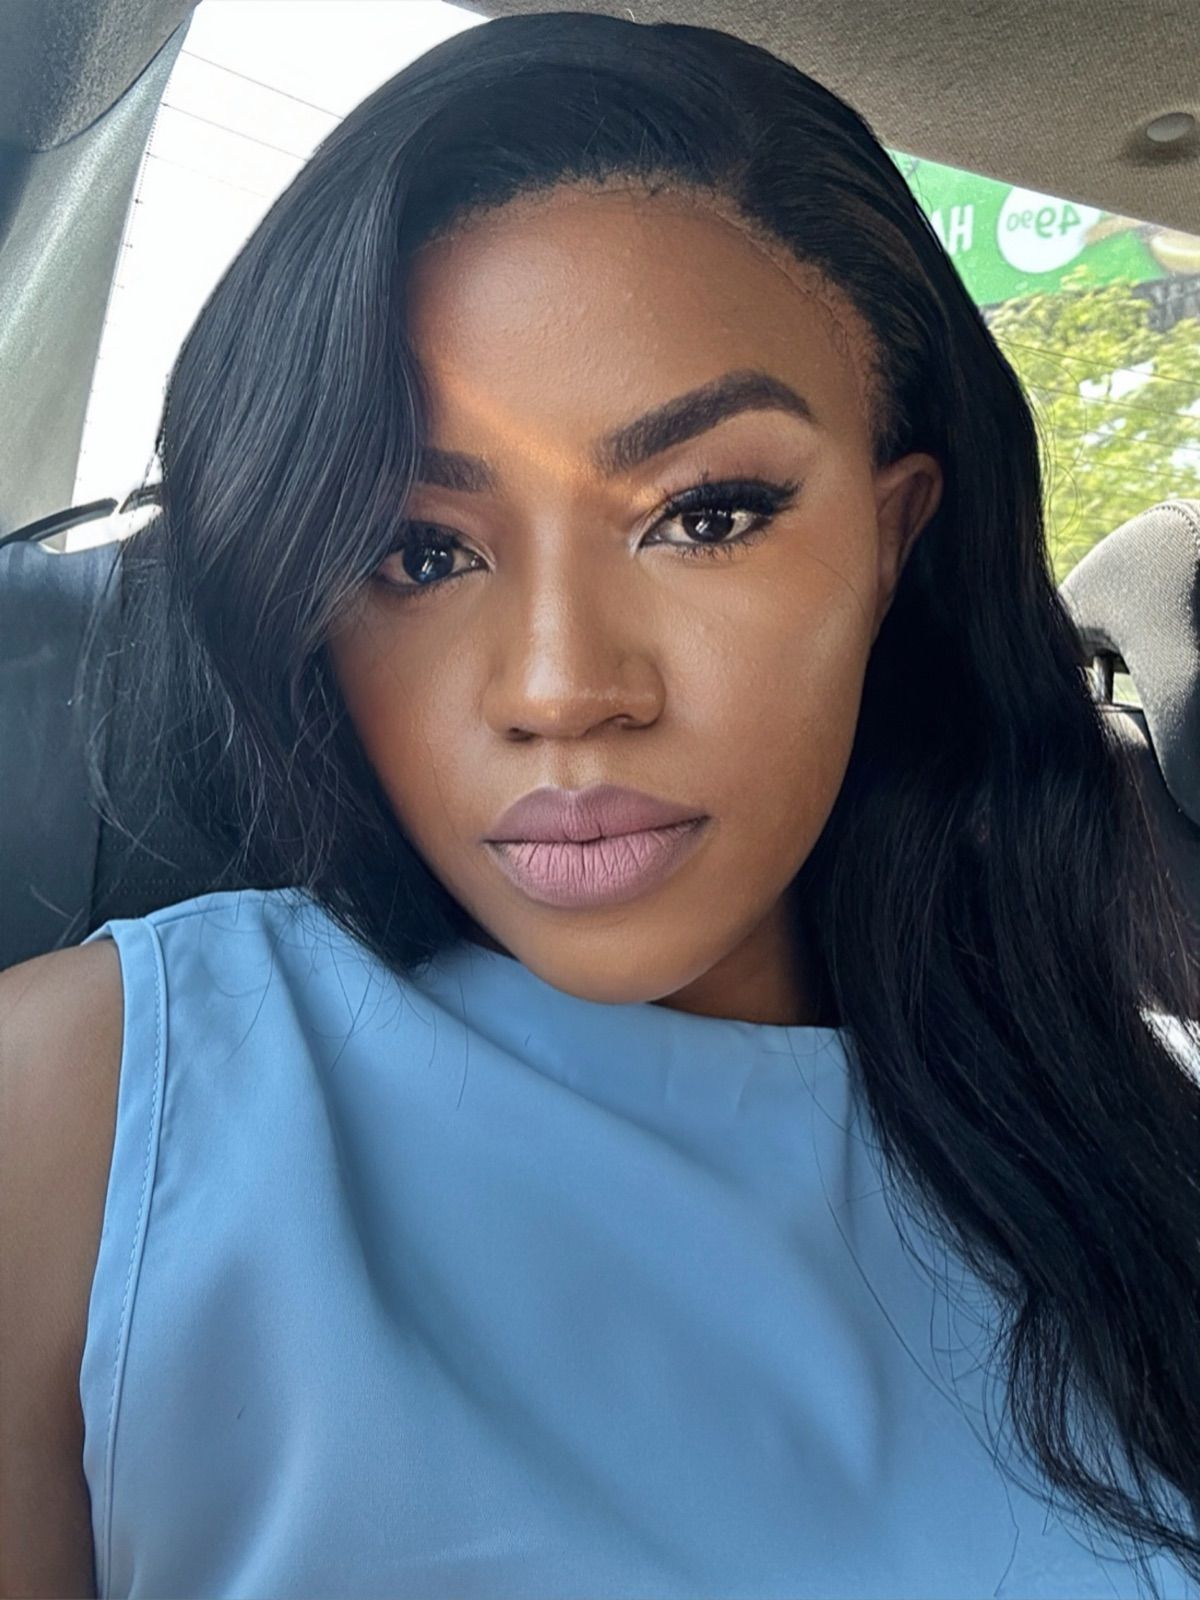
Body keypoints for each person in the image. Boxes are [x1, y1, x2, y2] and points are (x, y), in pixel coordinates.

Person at [1, 10, 1198, 1598]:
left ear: (894, 536)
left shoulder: (1128, 1131)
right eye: (421, 551)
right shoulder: (82, 1110)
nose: (564, 687)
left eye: (706, 514)